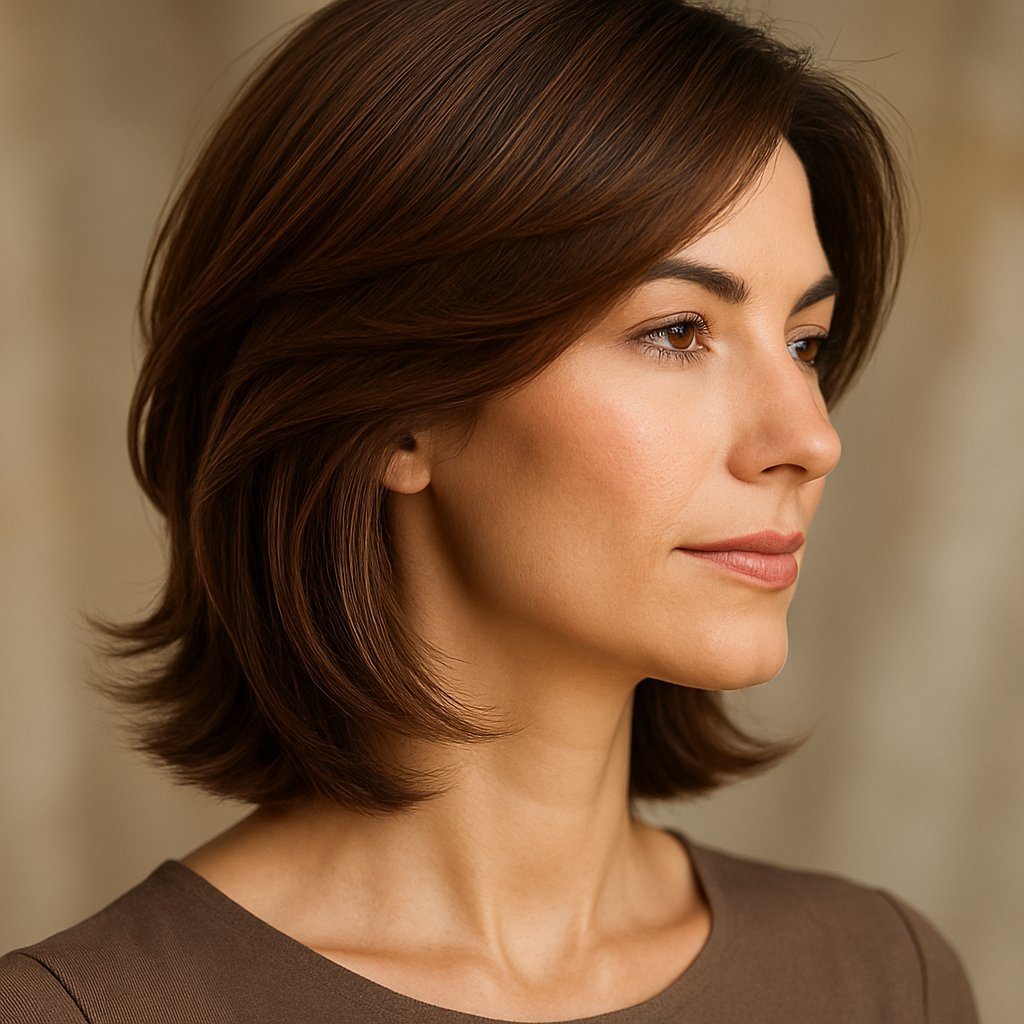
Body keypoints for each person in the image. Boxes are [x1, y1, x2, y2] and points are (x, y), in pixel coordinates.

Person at [0, 1, 978, 1021]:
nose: (809, 438)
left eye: (805, 343)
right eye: (677, 331)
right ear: (396, 408)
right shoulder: (84, 1010)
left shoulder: (882, 978)